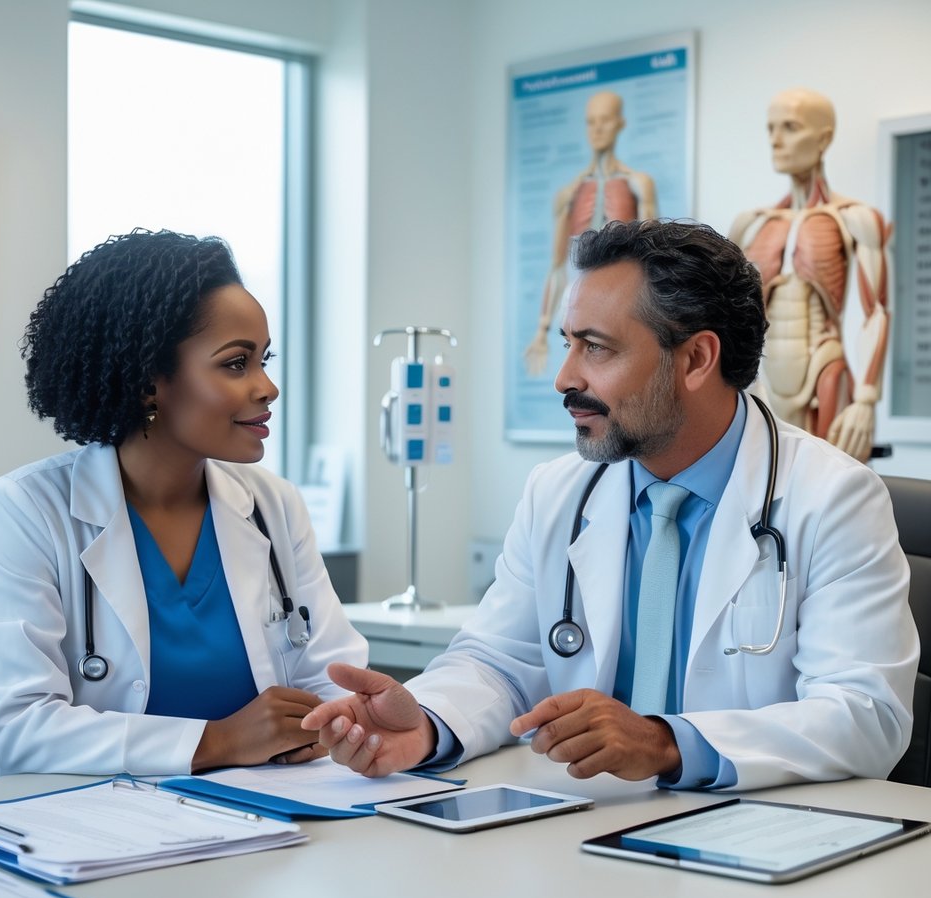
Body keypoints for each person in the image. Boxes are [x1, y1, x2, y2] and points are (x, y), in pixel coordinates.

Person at [304, 219, 917, 792]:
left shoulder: (832, 499)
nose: (565, 377)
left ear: (697, 359)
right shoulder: (558, 492)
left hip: (757, 839)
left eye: (596, 348)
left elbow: (865, 715)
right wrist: (430, 723)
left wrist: (667, 744)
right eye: (567, 343)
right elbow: (499, 662)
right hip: (588, 830)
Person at [0, 229, 367, 779]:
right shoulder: (29, 510)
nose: (267, 387)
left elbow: (333, 679)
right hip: (63, 824)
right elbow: (21, 726)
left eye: (264, 360)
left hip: (249, 818)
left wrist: (346, 721)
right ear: (149, 382)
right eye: (235, 363)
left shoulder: (273, 505)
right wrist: (218, 741)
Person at [729, 88, 890, 463]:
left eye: (790, 127)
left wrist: (866, 400)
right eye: (770, 128)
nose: (775, 140)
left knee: (829, 487)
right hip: (760, 379)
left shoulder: (855, 218)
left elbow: (875, 312)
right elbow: (726, 316)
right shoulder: (749, 225)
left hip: (824, 370)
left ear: (824, 138)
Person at [524, 91, 658, 377]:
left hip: (621, 308)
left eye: (605, 120)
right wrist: (542, 329)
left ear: (620, 123)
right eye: (591, 122)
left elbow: (652, 263)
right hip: (576, 305)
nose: (597, 129)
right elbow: (557, 267)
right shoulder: (568, 195)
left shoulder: (638, 185)